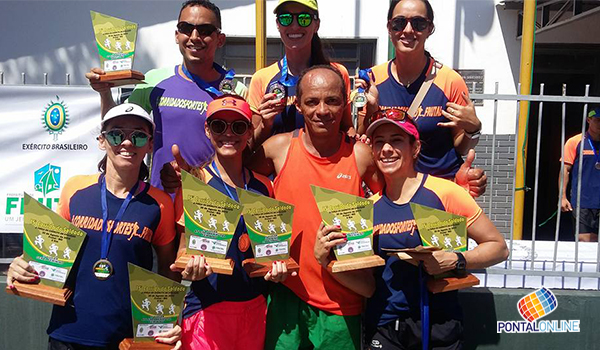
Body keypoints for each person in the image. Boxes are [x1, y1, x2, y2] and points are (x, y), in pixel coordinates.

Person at [6, 104, 181, 349]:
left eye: (139, 136)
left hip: (126, 339)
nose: (127, 143)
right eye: (116, 134)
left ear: (150, 145)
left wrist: (168, 321)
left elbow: (167, 269)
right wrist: (21, 265)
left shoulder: (159, 203)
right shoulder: (74, 190)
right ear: (102, 140)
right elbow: (48, 251)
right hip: (68, 332)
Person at [249, 65, 380, 350]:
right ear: (297, 105)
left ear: (345, 102)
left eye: (332, 100)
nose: (322, 110)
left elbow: (396, 198)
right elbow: (233, 177)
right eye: (312, 101)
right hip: (287, 294)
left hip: (342, 301)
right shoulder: (277, 148)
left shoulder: (361, 154)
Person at [362, 109, 508, 349]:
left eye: (396, 140)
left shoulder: (446, 193)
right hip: (386, 327)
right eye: (380, 142)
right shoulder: (368, 208)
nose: (387, 149)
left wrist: (456, 259)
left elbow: (498, 248)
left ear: (415, 148)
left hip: (439, 325)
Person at [169, 95, 294, 350]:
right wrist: (189, 267)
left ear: (250, 131)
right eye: (219, 126)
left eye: (238, 126)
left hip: (254, 307)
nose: (229, 134)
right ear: (207, 129)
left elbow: (268, 248)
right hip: (207, 308)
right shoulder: (196, 182)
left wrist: (276, 269)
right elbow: (183, 248)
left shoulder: (263, 184)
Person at [86, 0, 246, 191]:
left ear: (220, 39)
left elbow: (243, 152)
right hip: (158, 201)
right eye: (186, 28)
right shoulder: (154, 80)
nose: (195, 37)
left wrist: (197, 176)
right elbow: (117, 128)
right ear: (177, 35)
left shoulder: (235, 90)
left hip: (210, 202)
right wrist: (105, 92)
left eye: (204, 30)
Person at [356, 0, 484, 184]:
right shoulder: (373, 79)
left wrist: (473, 129)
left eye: (418, 23)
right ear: (389, 27)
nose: (408, 30)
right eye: (399, 23)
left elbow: (460, 147)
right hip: (392, 192)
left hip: (438, 194)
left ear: (429, 28)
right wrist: (371, 109)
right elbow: (363, 143)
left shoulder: (450, 80)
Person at [247, 0, 354, 147]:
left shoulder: (337, 74)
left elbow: (347, 128)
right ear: (278, 24)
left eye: (304, 18)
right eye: (286, 18)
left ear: (316, 25)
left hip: (324, 167)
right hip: (277, 169)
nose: (295, 26)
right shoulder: (261, 78)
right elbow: (250, 144)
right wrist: (266, 124)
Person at [560, 107, 600, 242]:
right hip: (583, 200)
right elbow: (565, 169)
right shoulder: (575, 141)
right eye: (597, 120)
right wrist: (562, 197)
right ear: (589, 120)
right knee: (585, 240)